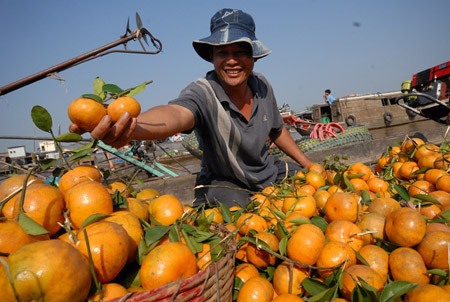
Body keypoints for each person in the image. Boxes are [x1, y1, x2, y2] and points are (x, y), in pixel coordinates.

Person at [69, 8, 314, 207]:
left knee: (312, 186)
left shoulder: (262, 86)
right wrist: (131, 126)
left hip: (267, 173)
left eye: (240, 52)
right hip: (226, 183)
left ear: (253, 57)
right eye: (222, 53)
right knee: (239, 218)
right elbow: (176, 114)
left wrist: (308, 164)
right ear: (212, 58)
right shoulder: (202, 91)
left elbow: (277, 130)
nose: (231, 60)